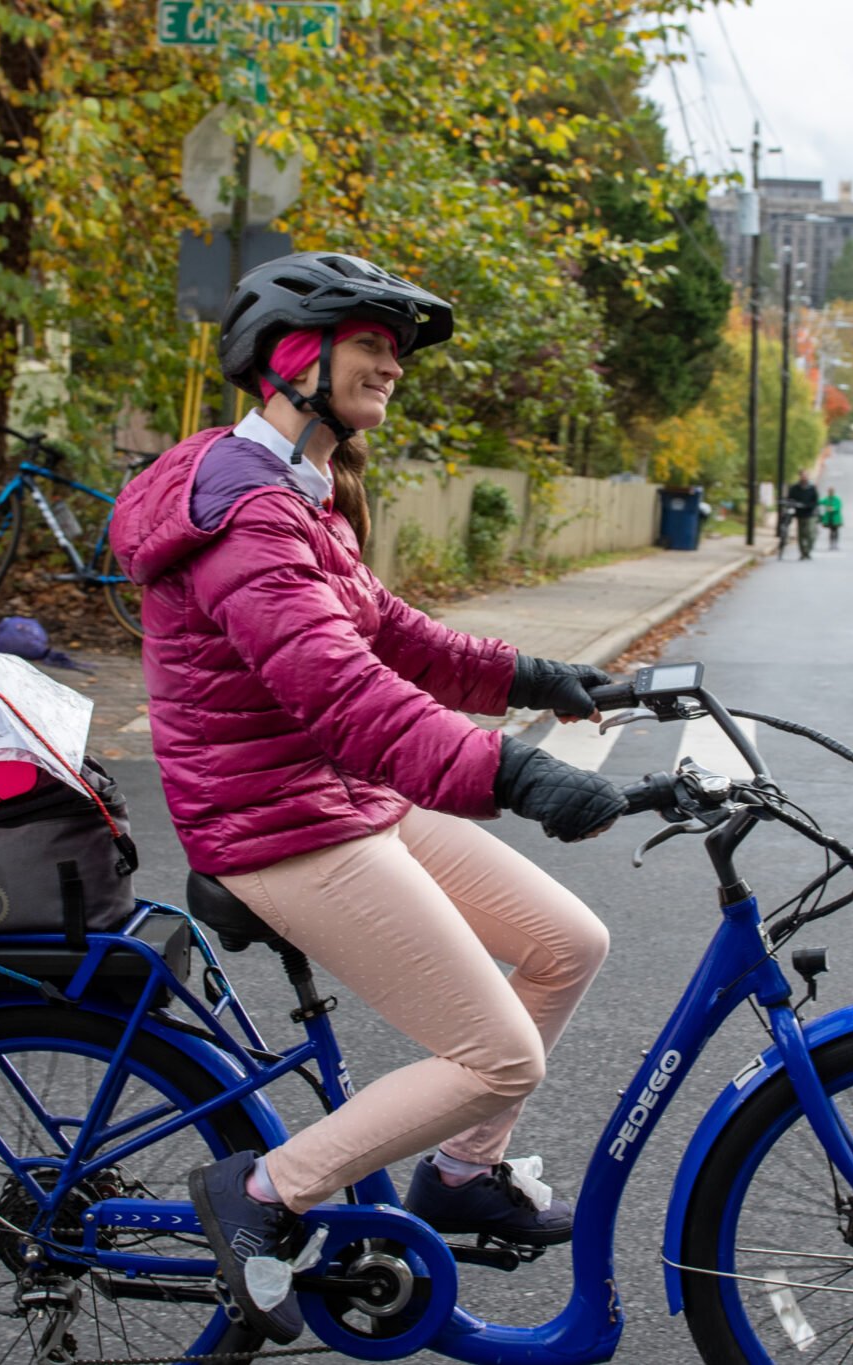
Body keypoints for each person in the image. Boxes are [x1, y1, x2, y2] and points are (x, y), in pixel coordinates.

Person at [110, 252, 625, 1344]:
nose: (391, 365)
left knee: (564, 943)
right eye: (370, 343)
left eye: (395, 350)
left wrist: (536, 680)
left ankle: (459, 1175)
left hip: (334, 799)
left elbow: (393, 637)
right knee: (499, 1056)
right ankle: (261, 1196)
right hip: (277, 826)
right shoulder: (246, 521)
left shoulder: (301, 495)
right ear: (295, 359)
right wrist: (514, 773)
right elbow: (350, 700)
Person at [785, 469, 820, 560]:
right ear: (800, 476)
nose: (804, 477)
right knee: (801, 534)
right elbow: (789, 499)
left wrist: (809, 506)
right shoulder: (795, 488)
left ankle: (808, 550)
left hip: (810, 514)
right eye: (802, 475)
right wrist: (794, 505)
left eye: (805, 475)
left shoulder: (812, 488)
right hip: (800, 514)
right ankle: (803, 552)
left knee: (810, 533)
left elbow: (815, 501)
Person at [820, 485, 844, 550]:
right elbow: (820, 502)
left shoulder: (837, 499)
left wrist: (832, 508)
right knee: (831, 531)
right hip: (829, 518)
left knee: (835, 531)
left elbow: (839, 506)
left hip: (836, 518)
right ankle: (831, 544)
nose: (830, 493)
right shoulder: (826, 499)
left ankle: (835, 543)